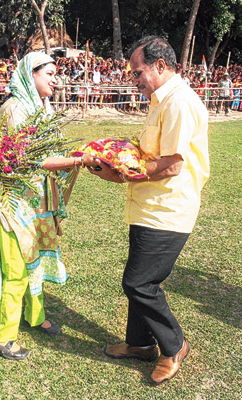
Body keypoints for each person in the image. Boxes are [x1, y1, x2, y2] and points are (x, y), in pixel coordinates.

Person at [83, 36, 209, 384]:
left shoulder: (179, 103)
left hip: (168, 209)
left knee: (139, 283)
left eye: (138, 72)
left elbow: (171, 165)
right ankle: (140, 344)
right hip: (149, 206)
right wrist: (117, 153)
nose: (133, 79)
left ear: (161, 66)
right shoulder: (160, 100)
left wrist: (124, 174)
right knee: (141, 278)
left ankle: (174, 345)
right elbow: (150, 153)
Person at [0, 52, 81, 360]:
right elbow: (29, 159)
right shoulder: (14, 109)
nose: (55, 79)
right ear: (31, 74)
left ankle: (35, 315)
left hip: (37, 202)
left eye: (56, 73)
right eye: (49, 73)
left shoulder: (41, 107)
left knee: (34, 262)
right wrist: (75, 160)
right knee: (16, 271)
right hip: (14, 205)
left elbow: (50, 152)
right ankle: (0, 336)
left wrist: (72, 158)